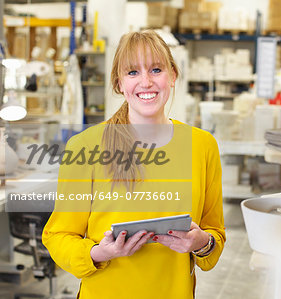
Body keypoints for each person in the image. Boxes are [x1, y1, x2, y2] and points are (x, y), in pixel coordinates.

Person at [42, 29, 225, 299]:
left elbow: (215, 236)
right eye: (133, 73)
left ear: (173, 75)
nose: (146, 82)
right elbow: (58, 236)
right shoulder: (85, 147)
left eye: (155, 69)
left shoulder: (202, 146)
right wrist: (99, 252)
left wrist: (202, 243)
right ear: (119, 83)